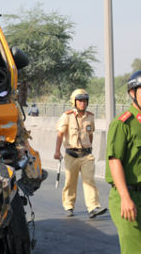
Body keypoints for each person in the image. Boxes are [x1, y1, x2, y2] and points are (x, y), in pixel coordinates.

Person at [106, 69, 141, 254]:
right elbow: (114, 161)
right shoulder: (123, 124)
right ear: (133, 93)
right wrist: (125, 198)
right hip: (129, 197)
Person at [54, 89, 107, 218]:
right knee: (70, 182)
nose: (83, 103)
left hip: (86, 155)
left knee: (89, 180)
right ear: (74, 101)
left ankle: (93, 207)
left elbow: (90, 135)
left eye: (85, 100)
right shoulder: (66, 116)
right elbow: (60, 134)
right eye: (80, 100)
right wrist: (57, 151)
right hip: (71, 154)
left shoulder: (90, 117)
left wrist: (89, 147)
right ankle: (69, 206)